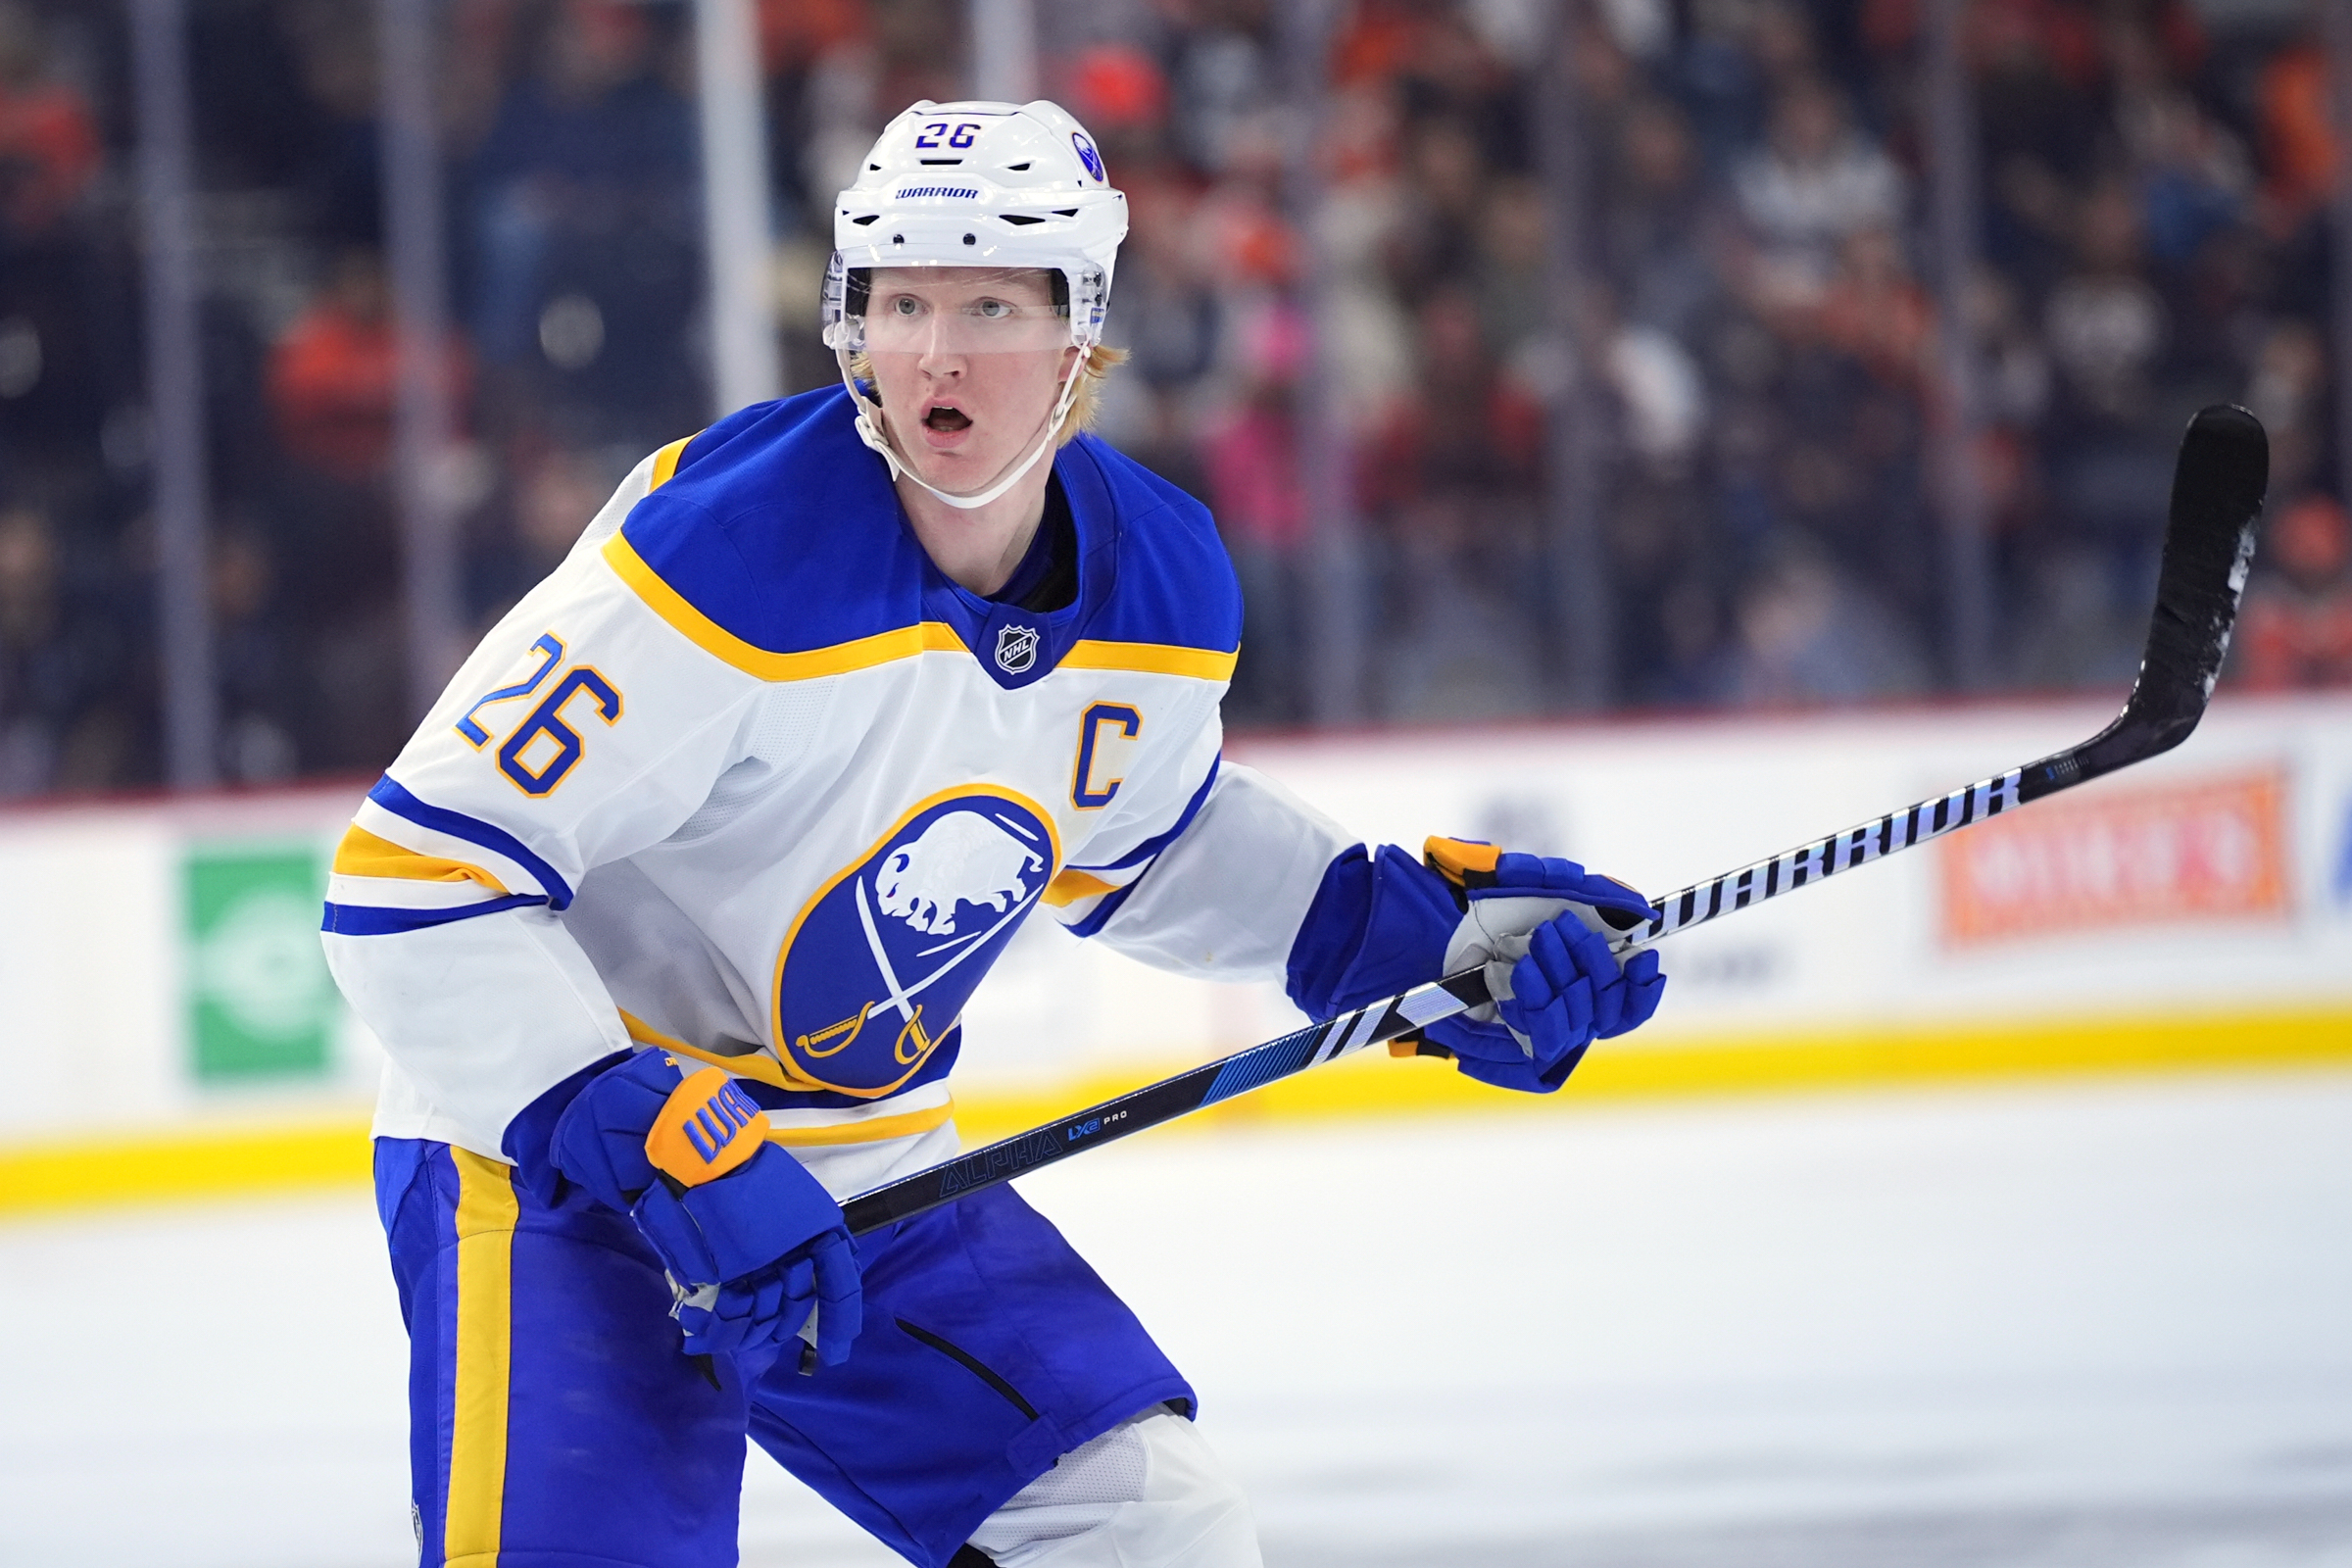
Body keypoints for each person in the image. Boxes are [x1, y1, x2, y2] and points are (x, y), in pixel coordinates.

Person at [324, 100, 1667, 1568]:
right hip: (564, 1169)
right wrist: (641, 1133)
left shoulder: (1159, 578)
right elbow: (412, 882)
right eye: (899, 300)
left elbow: (1143, 837)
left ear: (1081, 331)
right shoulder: (724, 553)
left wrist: (1404, 940)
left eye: (987, 301)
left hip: (869, 1172)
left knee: (1149, 1532)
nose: (935, 352)